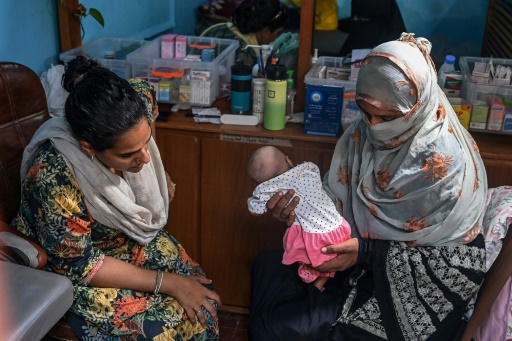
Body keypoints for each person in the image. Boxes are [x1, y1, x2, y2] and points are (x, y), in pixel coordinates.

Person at [248, 33, 488, 341]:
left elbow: (456, 263)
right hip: (355, 258)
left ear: (417, 106)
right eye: (366, 112)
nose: (374, 127)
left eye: (387, 117)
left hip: (421, 284)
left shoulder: (443, 163)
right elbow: (332, 197)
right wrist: (304, 214)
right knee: (267, 271)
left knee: (281, 327)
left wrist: (367, 252)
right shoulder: (361, 135)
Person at [11, 56, 221, 340]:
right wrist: (169, 283)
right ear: (89, 149)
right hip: (78, 265)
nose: (145, 159)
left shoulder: (135, 103)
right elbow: (81, 265)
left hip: (125, 237)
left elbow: (145, 89)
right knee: (174, 326)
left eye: (145, 143)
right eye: (128, 154)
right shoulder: (53, 177)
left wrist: (162, 170)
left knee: (202, 300)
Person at [247, 146, 352, 292]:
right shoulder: (307, 169)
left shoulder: (268, 189)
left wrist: (258, 194)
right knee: (331, 257)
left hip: (314, 235)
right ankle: (320, 283)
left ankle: (316, 283)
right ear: (288, 160)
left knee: (310, 258)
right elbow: (315, 172)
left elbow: (255, 209)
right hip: (338, 226)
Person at [200, 0, 288, 68]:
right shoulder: (247, 56)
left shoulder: (217, 28)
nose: (277, 38)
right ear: (265, 32)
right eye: (278, 33)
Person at [338, 0, 407, 57]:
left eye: (364, 19)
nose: (358, 20)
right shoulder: (357, 30)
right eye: (357, 18)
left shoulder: (391, 46)